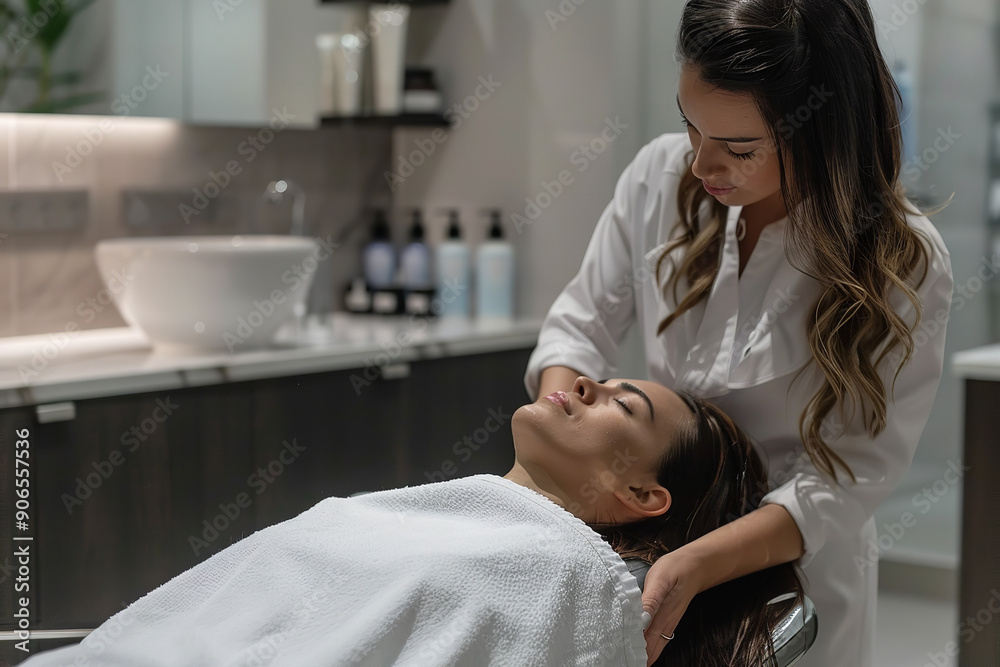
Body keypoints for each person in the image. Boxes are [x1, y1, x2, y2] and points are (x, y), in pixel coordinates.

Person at [524, 1, 955, 665]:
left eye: (739, 148)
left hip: (795, 577)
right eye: (690, 125)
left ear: (823, 132)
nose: (701, 165)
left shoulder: (902, 262)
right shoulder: (659, 177)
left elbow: (849, 477)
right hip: (646, 541)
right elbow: (579, 326)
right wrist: (561, 447)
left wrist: (697, 562)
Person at [23, 376, 802, 667]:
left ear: (641, 494)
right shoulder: (442, 513)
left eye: (621, 404)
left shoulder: (565, 577)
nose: (585, 381)